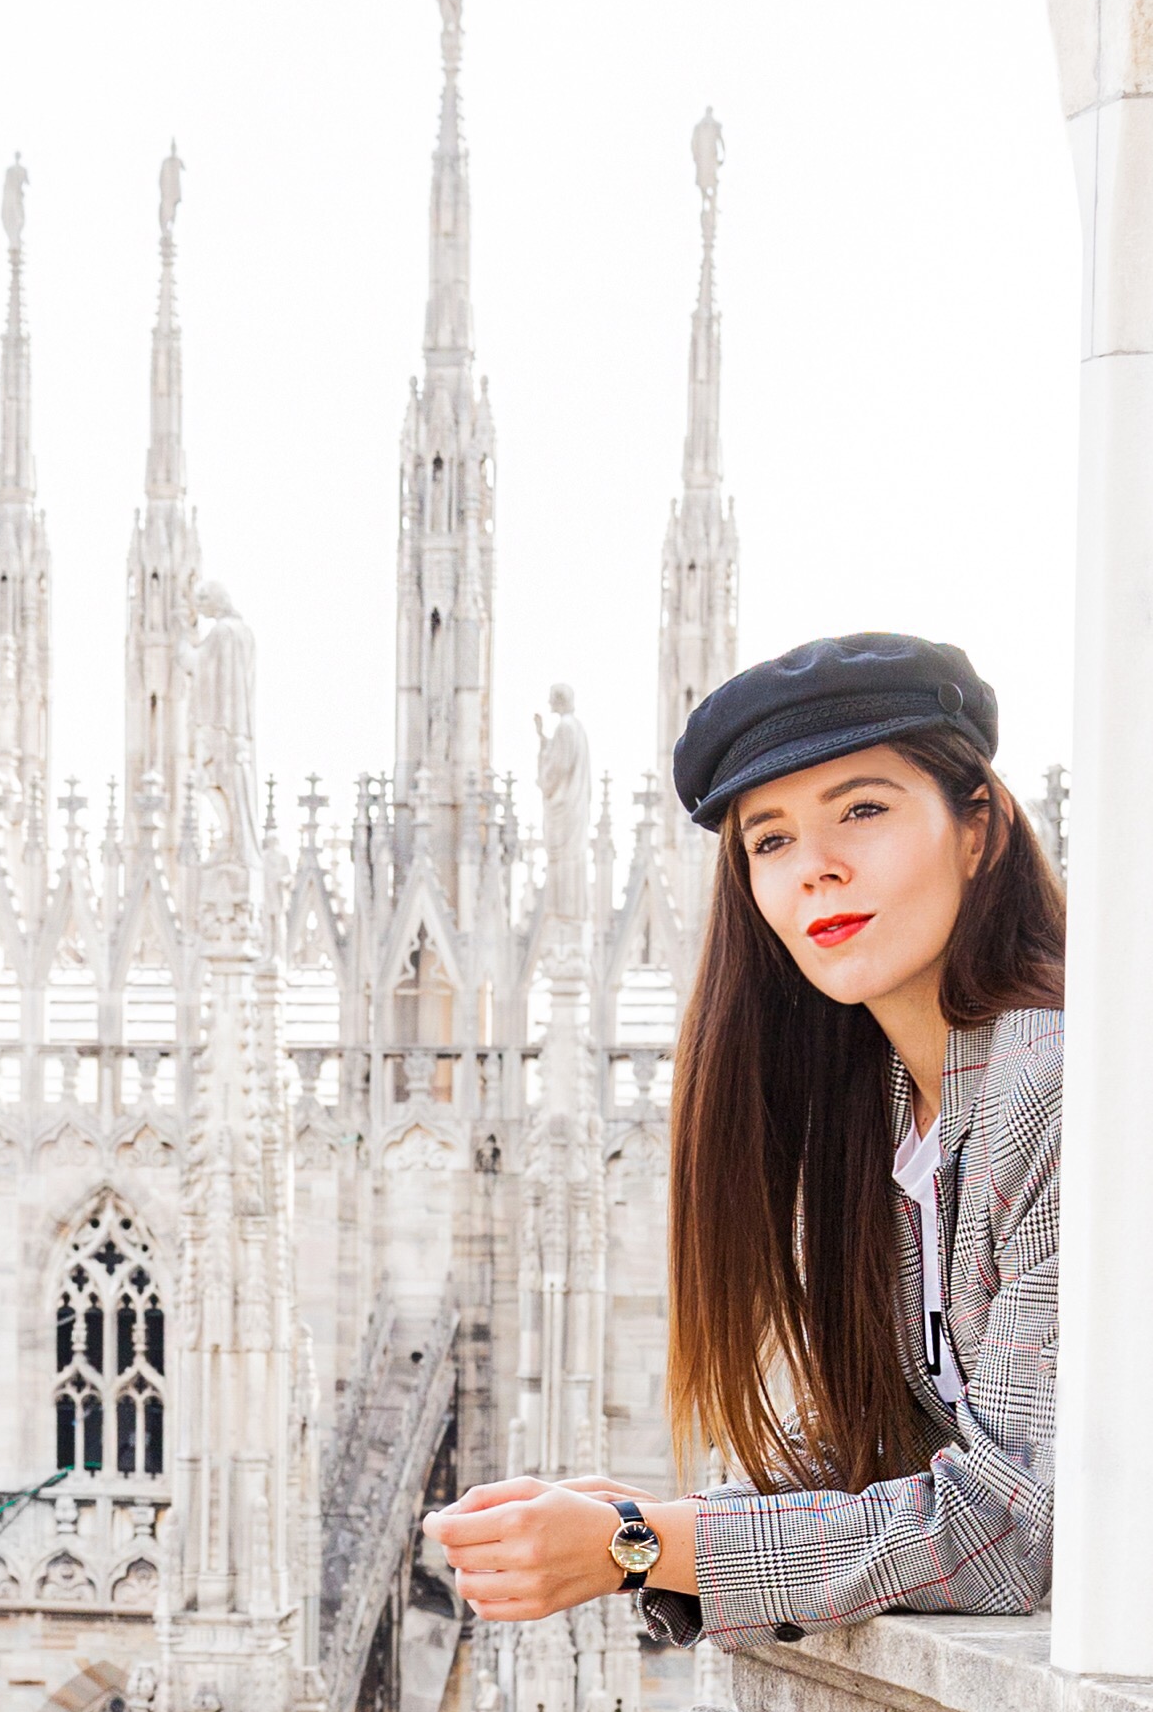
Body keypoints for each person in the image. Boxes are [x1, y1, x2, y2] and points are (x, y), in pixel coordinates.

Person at [427, 630, 1063, 1643]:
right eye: (769, 839)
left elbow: (1011, 1529)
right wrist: (641, 1527)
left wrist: (639, 1542)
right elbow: (893, 1449)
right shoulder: (896, 1111)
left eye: (863, 809)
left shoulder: (1051, 1090)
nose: (816, 869)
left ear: (977, 827)